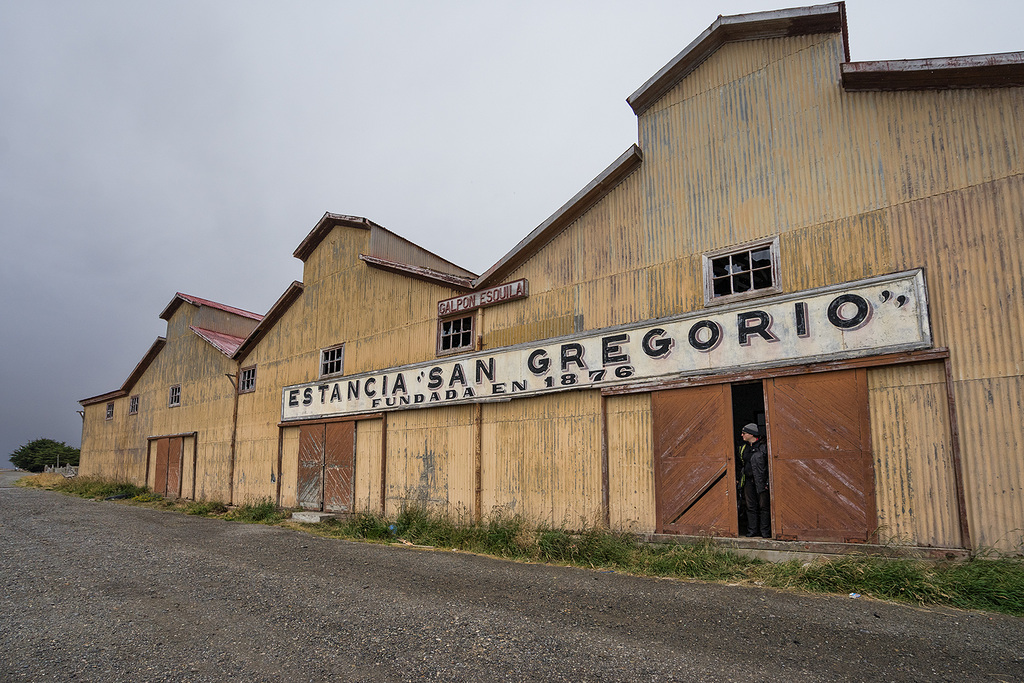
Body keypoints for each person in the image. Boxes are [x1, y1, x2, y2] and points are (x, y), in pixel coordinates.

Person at [738, 423, 770, 538]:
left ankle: (765, 532)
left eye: (744, 433)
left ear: (751, 434)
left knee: (764, 506)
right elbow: (740, 464)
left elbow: (768, 466)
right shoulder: (743, 448)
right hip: (748, 481)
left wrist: (767, 482)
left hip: (761, 481)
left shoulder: (763, 447)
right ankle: (752, 531)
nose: (742, 435)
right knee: (750, 506)